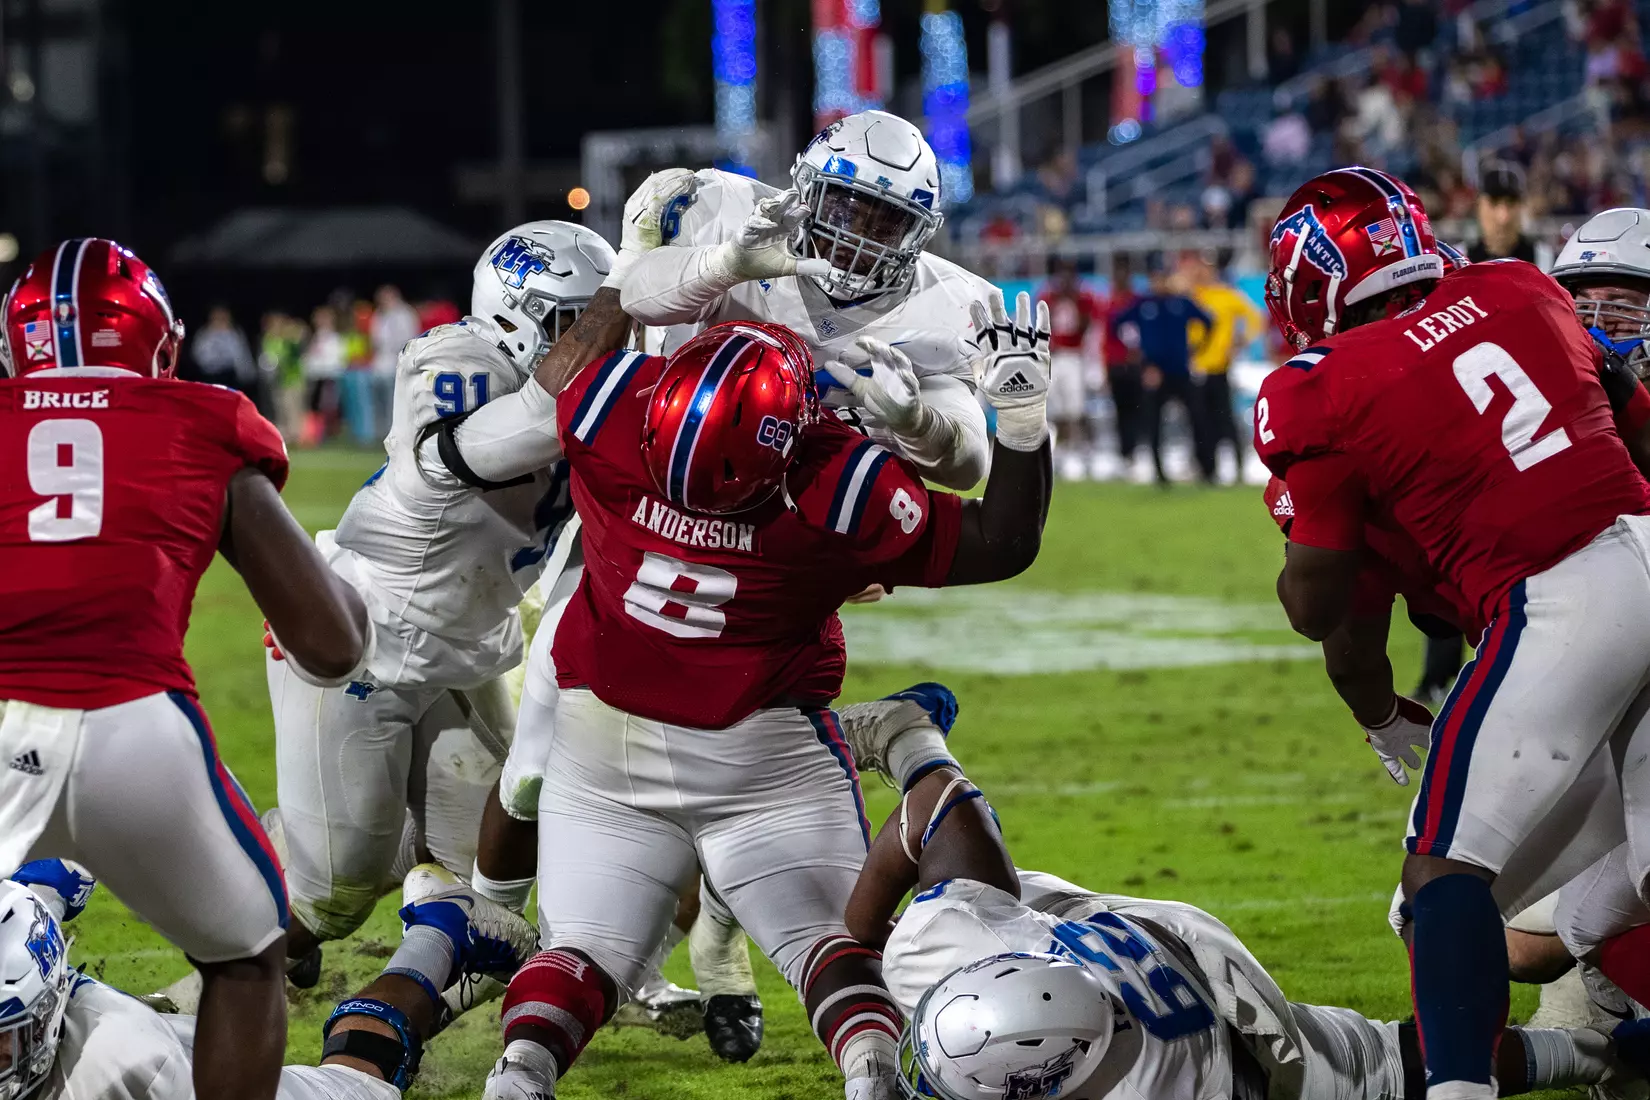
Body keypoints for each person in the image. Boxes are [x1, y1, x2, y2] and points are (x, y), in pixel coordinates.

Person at [480, 292, 1054, 1100]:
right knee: (832, 942)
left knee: (584, 950)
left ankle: (521, 1074)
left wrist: (633, 283)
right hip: (760, 753)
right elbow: (1005, 542)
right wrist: (1018, 419)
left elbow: (564, 371)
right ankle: (872, 1076)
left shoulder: (608, 414)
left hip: (600, 736)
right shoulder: (839, 489)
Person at [1256, 166, 1650, 1100]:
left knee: (1441, 871)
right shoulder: (1522, 286)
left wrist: (1383, 711)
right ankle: (1613, 1051)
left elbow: (1319, 609)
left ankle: (1461, 1087)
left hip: (1560, 599)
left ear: (1312, 281)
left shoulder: (1322, 388)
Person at [830, 702, 1646, 1100]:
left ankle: (1606, 1053)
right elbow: (939, 800)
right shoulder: (955, 942)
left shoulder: (1169, 1087)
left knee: (1390, 1069)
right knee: (1400, 1056)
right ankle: (1604, 1052)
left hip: (1221, 1011)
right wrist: (859, 941)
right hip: (1109, 943)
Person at [0, 237, 371, 1100]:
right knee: (248, 958)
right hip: (134, 729)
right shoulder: (204, 418)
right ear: (160, 345)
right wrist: (350, 587)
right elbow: (330, 646)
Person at [264, 220, 627, 1000]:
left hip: (473, 640)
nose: (603, 346)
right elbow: (519, 432)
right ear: (512, 316)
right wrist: (625, 293)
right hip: (368, 633)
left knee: (486, 864)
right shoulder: (455, 361)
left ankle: (416, 998)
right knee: (333, 893)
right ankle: (263, 921)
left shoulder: (584, 381)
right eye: (578, 323)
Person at [619, 109, 994, 494]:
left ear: (917, 233)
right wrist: (727, 263)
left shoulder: (946, 304)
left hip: (817, 513)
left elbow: (967, 467)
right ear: (805, 189)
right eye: (845, 210)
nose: (856, 238)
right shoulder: (735, 214)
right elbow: (637, 298)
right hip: (681, 468)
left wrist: (918, 423)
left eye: (885, 224)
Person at [0, 858, 537, 1100]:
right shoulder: (21, 951)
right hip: (127, 1033)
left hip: (189, 1080)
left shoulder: (124, 1068)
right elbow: (44, 878)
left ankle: (441, 930)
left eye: (3, 1040)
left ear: (46, 1010)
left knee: (362, 1077)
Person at [1111, 260, 1212, 484]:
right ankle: (1159, 472)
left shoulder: (1181, 302)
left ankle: (1207, 468)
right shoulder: (1143, 304)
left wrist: (1198, 349)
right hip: (1154, 373)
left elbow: (1208, 321)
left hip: (1181, 371)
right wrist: (1135, 353)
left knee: (1198, 418)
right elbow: (1116, 324)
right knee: (1154, 423)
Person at [1187, 252, 1265, 484]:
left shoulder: (1225, 296)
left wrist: (1242, 340)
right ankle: (1207, 470)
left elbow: (1255, 317)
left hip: (1219, 367)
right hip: (1196, 368)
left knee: (1225, 421)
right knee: (1202, 422)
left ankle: (1238, 468)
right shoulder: (1194, 297)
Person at [1036, 257, 1102, 480]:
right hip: (1054, 356)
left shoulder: (1083, 297)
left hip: (1075, 356)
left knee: (1077, 408)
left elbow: (1088, 324)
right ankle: (1063, 453)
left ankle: (1086, 451)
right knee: (1057, 408)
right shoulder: (1048, 296)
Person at [1102, 255, 1143, 478]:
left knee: (1137, 410)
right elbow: (1105, 340)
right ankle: (1125, 454)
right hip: (1117, 363)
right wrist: (1105, 366)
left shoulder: (1137, 301)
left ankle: (1134, 451)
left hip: (1134, 363)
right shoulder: (1110, 304)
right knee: (1121, 411)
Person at [1468, 161, 1548, 266]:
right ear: (1478, 206)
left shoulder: (1547, 261)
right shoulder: (1457, 263)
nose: (1503, 218)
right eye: (1494, 203)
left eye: (1511, 203)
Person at [370, 285, 421, 445]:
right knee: (380, 403)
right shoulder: (379, 315)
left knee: (396, 403)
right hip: (380, 365)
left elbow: (409, 338)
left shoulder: (405, 314)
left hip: (398, 363)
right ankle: (382, 434)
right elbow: (375, 339)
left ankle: (399, 435)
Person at [303, 305, 347, 445]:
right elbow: (310, 358)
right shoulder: (315, 337)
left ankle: (328, 435)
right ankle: (315, 435)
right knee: (315, 406)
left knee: (329, 406)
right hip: (316, 377)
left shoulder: (335, 338)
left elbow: (338, 359)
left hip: (330, 376)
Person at [189, 305, 257, 393]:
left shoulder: (234, 334)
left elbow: (242, 356)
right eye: (217, 317)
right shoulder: (204, 334)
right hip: (209, 378)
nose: (220, 320)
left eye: (223, 317)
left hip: (229, 378)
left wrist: (247, 376)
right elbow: (197, 356)